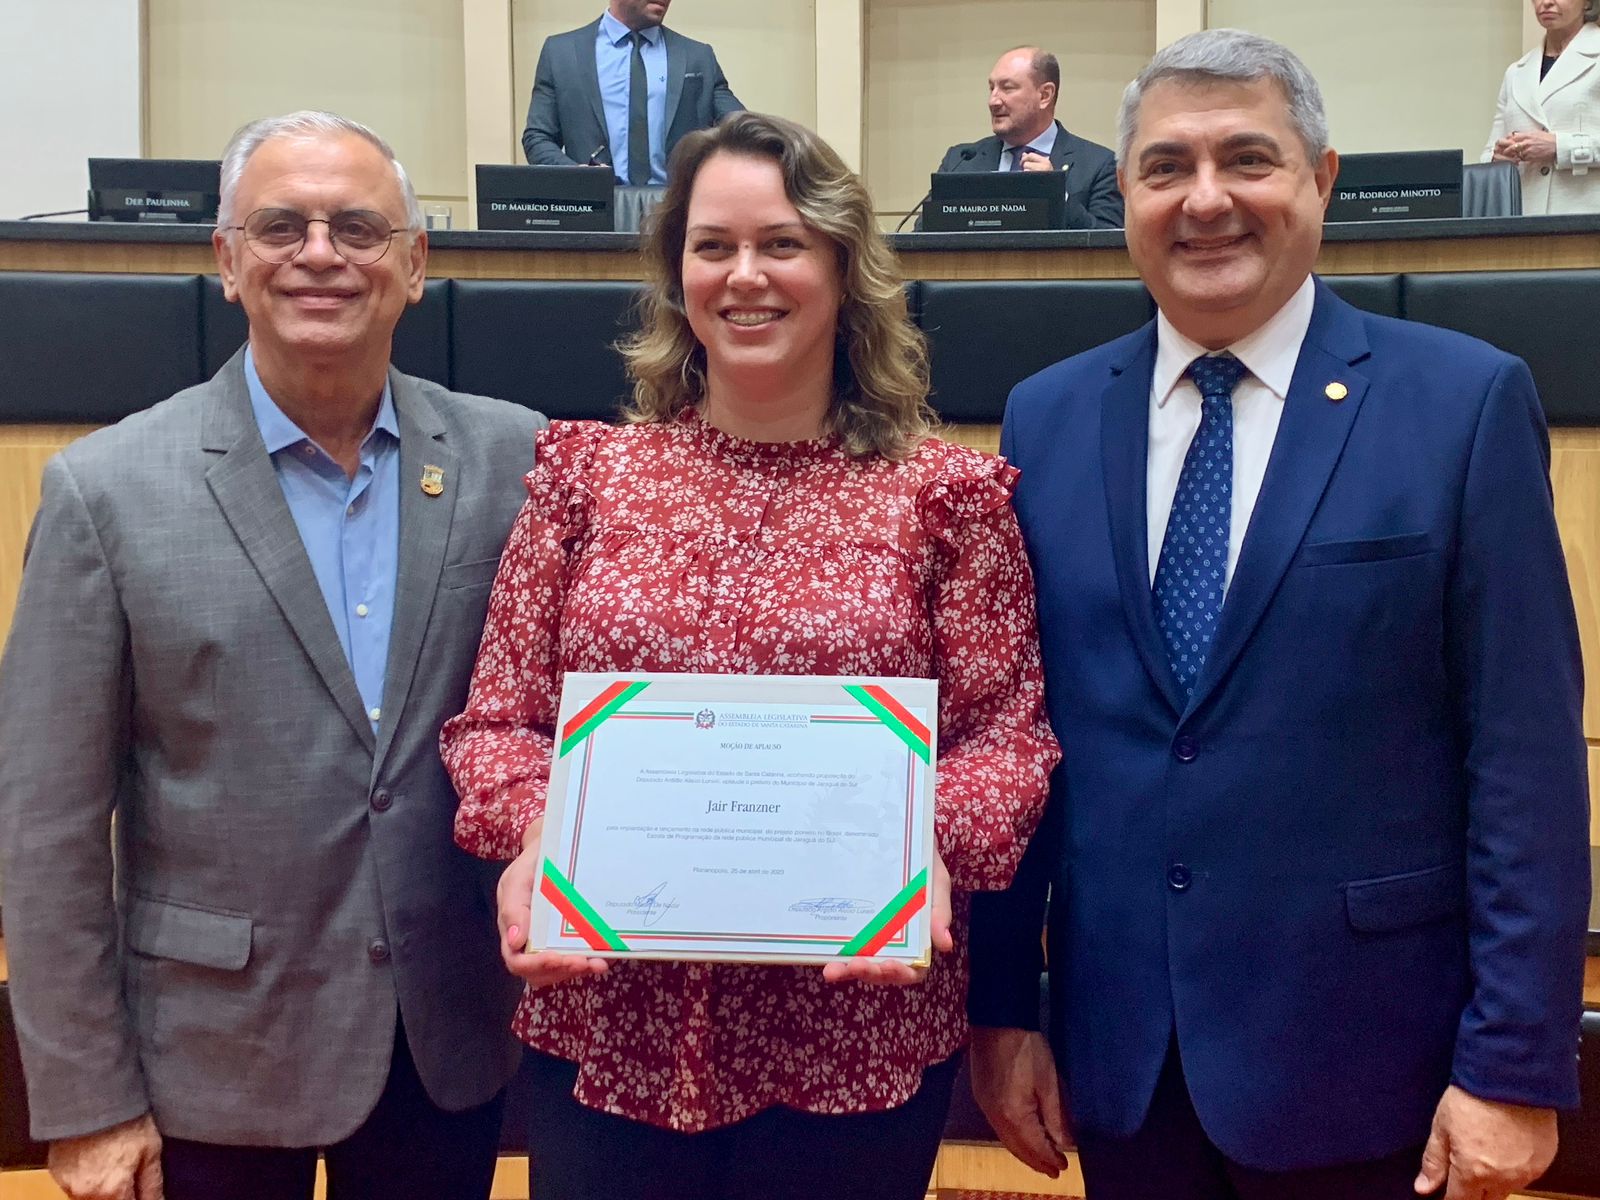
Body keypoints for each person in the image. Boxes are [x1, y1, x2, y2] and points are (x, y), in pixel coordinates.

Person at [968, 28, 1589, 1200]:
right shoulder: (1044, 419)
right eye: (1165, 169)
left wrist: (1514, 1064)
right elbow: (1021, 746)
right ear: (1125, 196)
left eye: (1246, 159)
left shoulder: (1462, 404)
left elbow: (1522, 762)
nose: (1205, 200)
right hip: (1125, 1065)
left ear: (1321, 179)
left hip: (1369, 1067)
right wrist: (1005, 1009)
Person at [442, 110, 1059, 1200]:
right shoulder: (585, 480)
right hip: (611, 1024)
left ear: (840, 264)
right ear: (676, 273)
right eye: (712, 246)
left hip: (853, 1030)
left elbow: (1005, 739)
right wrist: (536, 831)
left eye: (781, 243)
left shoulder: (946, 498)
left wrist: (924, 850)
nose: (745, 276)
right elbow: (497, 721)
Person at [0, 110, 543, 1200]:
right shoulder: (106, 490)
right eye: (281, 226)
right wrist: (86, 1102)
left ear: (415, 262)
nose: (320, 254)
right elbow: (47, 825)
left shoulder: (516, 459)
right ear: (227, 262)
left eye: (358, 227)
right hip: (208, 1053)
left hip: (441, 1042)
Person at [522, 0, 743, 185]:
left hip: (677, 212)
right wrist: (577, 176)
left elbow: (742, 130)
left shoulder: (697, 57)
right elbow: (537, 137)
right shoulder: (562, 53)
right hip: (593, 209)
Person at [932, 47, 1124, 229]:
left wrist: (1056, 195)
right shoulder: (960, 161)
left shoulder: (1100, 165)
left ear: (1044, 95)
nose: (993, 101)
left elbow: (1109, 245)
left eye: (1007, 88)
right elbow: (922, 235)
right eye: (992, 88)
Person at [1483, 0, 1600, 213]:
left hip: (1587, 220)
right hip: (1525, 223)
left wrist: (1560, 146)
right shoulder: (1516, 72)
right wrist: (1498, 158)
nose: (1546, 2)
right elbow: (1489, 153)